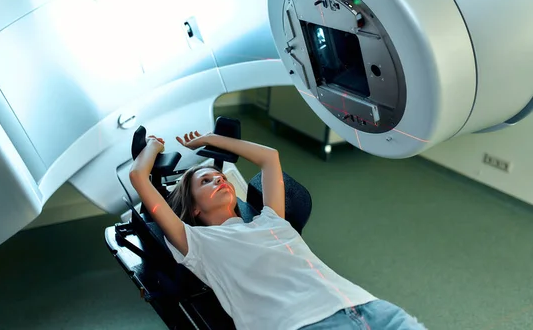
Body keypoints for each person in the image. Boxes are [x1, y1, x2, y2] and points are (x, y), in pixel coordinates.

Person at [129, 130, 427, 330]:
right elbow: (138, 176)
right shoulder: (196, 243)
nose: (218, 180)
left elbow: (269, 157)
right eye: (205, 182)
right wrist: (154, 147)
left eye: (220, 177)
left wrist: (213, 139)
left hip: (368, 308)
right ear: (193, 209)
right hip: (299, 324)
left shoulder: (271, 220)